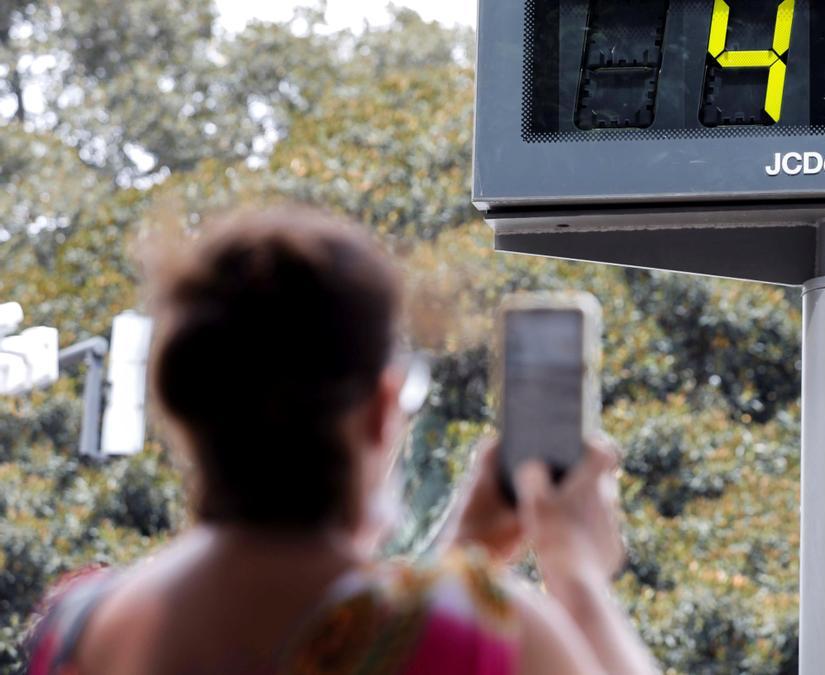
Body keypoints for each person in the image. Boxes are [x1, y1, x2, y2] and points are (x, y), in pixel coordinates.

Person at [24, 207, 660, 675]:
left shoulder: (76, 627)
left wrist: (464, 554)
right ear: (383, 407)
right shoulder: (482, 633)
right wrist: (574, 573)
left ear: (183, 406)